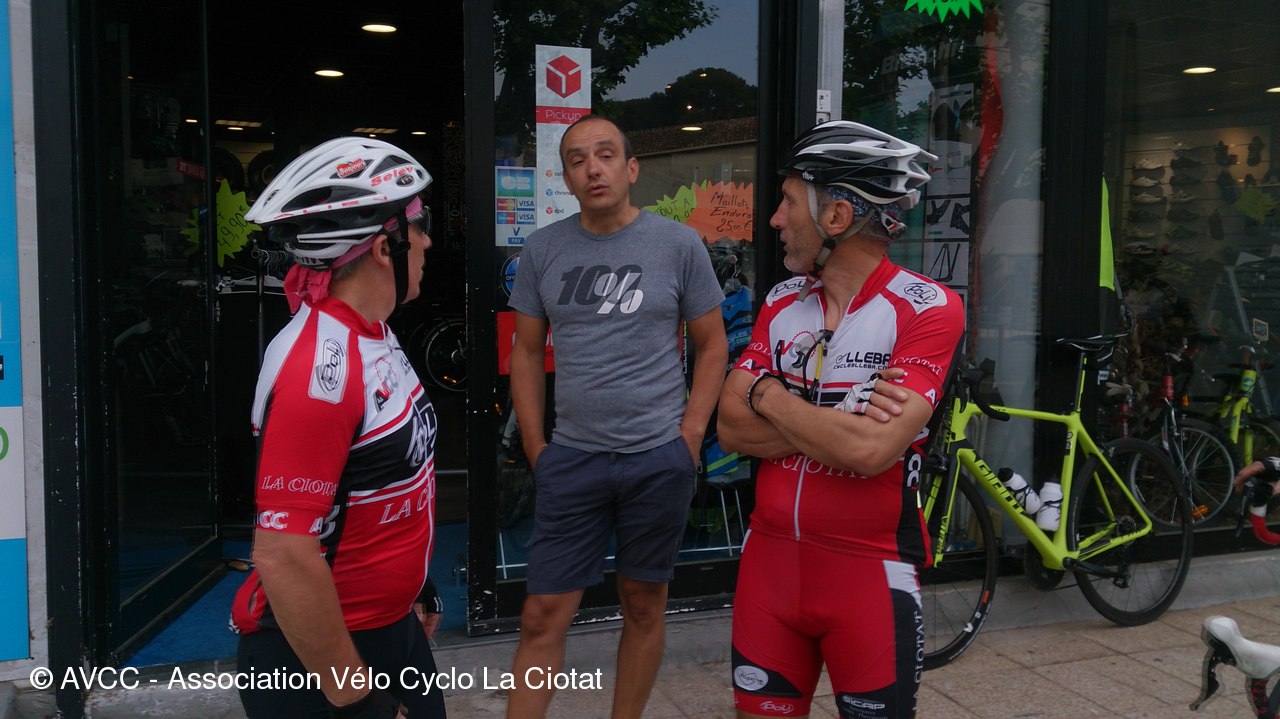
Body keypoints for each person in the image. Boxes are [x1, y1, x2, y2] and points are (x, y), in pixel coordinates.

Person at [717, 120, 964, 719]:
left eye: (787, 202)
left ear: (836, 216)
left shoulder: (928, 308)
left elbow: (869, 452)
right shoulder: (781, 301)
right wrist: (839, 416)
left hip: (869, 574)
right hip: (768, 571)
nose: (774, 219)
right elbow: (729, 428)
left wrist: (768, 394)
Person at [505, 114, 729, 719]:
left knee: (644, 602)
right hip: (573, 457)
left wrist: (689, 435)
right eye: (577, 160)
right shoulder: (543, 249)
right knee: (541, 613)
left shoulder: (678, 245)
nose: (593, 169)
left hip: (657, 456)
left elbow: (712, 345)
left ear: (632, 168)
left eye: (605, 155)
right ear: (565, 179)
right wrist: (536, 445)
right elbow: (525, 352)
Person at [231, 137, 446, 719]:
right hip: (321, 662)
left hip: (388, 629)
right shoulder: (318, 372)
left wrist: (413, 583)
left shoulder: (372, 330)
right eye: (421, 224)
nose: (428, 241)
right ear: (383, 248)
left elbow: (380, 480)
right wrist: (356, 701)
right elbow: (283, 554)